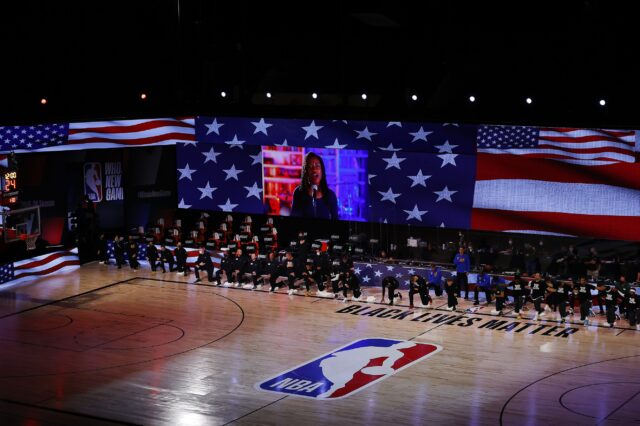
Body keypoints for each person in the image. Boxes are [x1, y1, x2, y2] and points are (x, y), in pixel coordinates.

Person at [290, 152, 339, 219]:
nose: (314, 170)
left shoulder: (331, 195)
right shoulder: (298, 192)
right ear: (306, 172)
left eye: (317, 166)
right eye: (310, 167)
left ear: (322, 171)